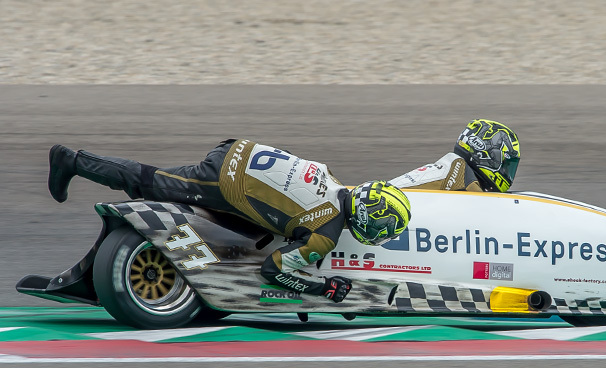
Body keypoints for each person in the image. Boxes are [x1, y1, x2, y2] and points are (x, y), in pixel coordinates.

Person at [47, 139, 411, 303]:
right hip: (227, 178)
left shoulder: (332, 180)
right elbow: (274, 270)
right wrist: (322, 288)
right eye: (384, 228)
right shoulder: (325, 236)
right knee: (149, 183)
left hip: (241, 151)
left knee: (251, 230)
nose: (380, 236)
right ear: (369, 217)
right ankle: (72, 161)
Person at [390, 119, 520, 192]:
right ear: (488, 156)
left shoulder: (453, 166)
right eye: (507, 165)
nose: (508, 172)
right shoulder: (464, 179)